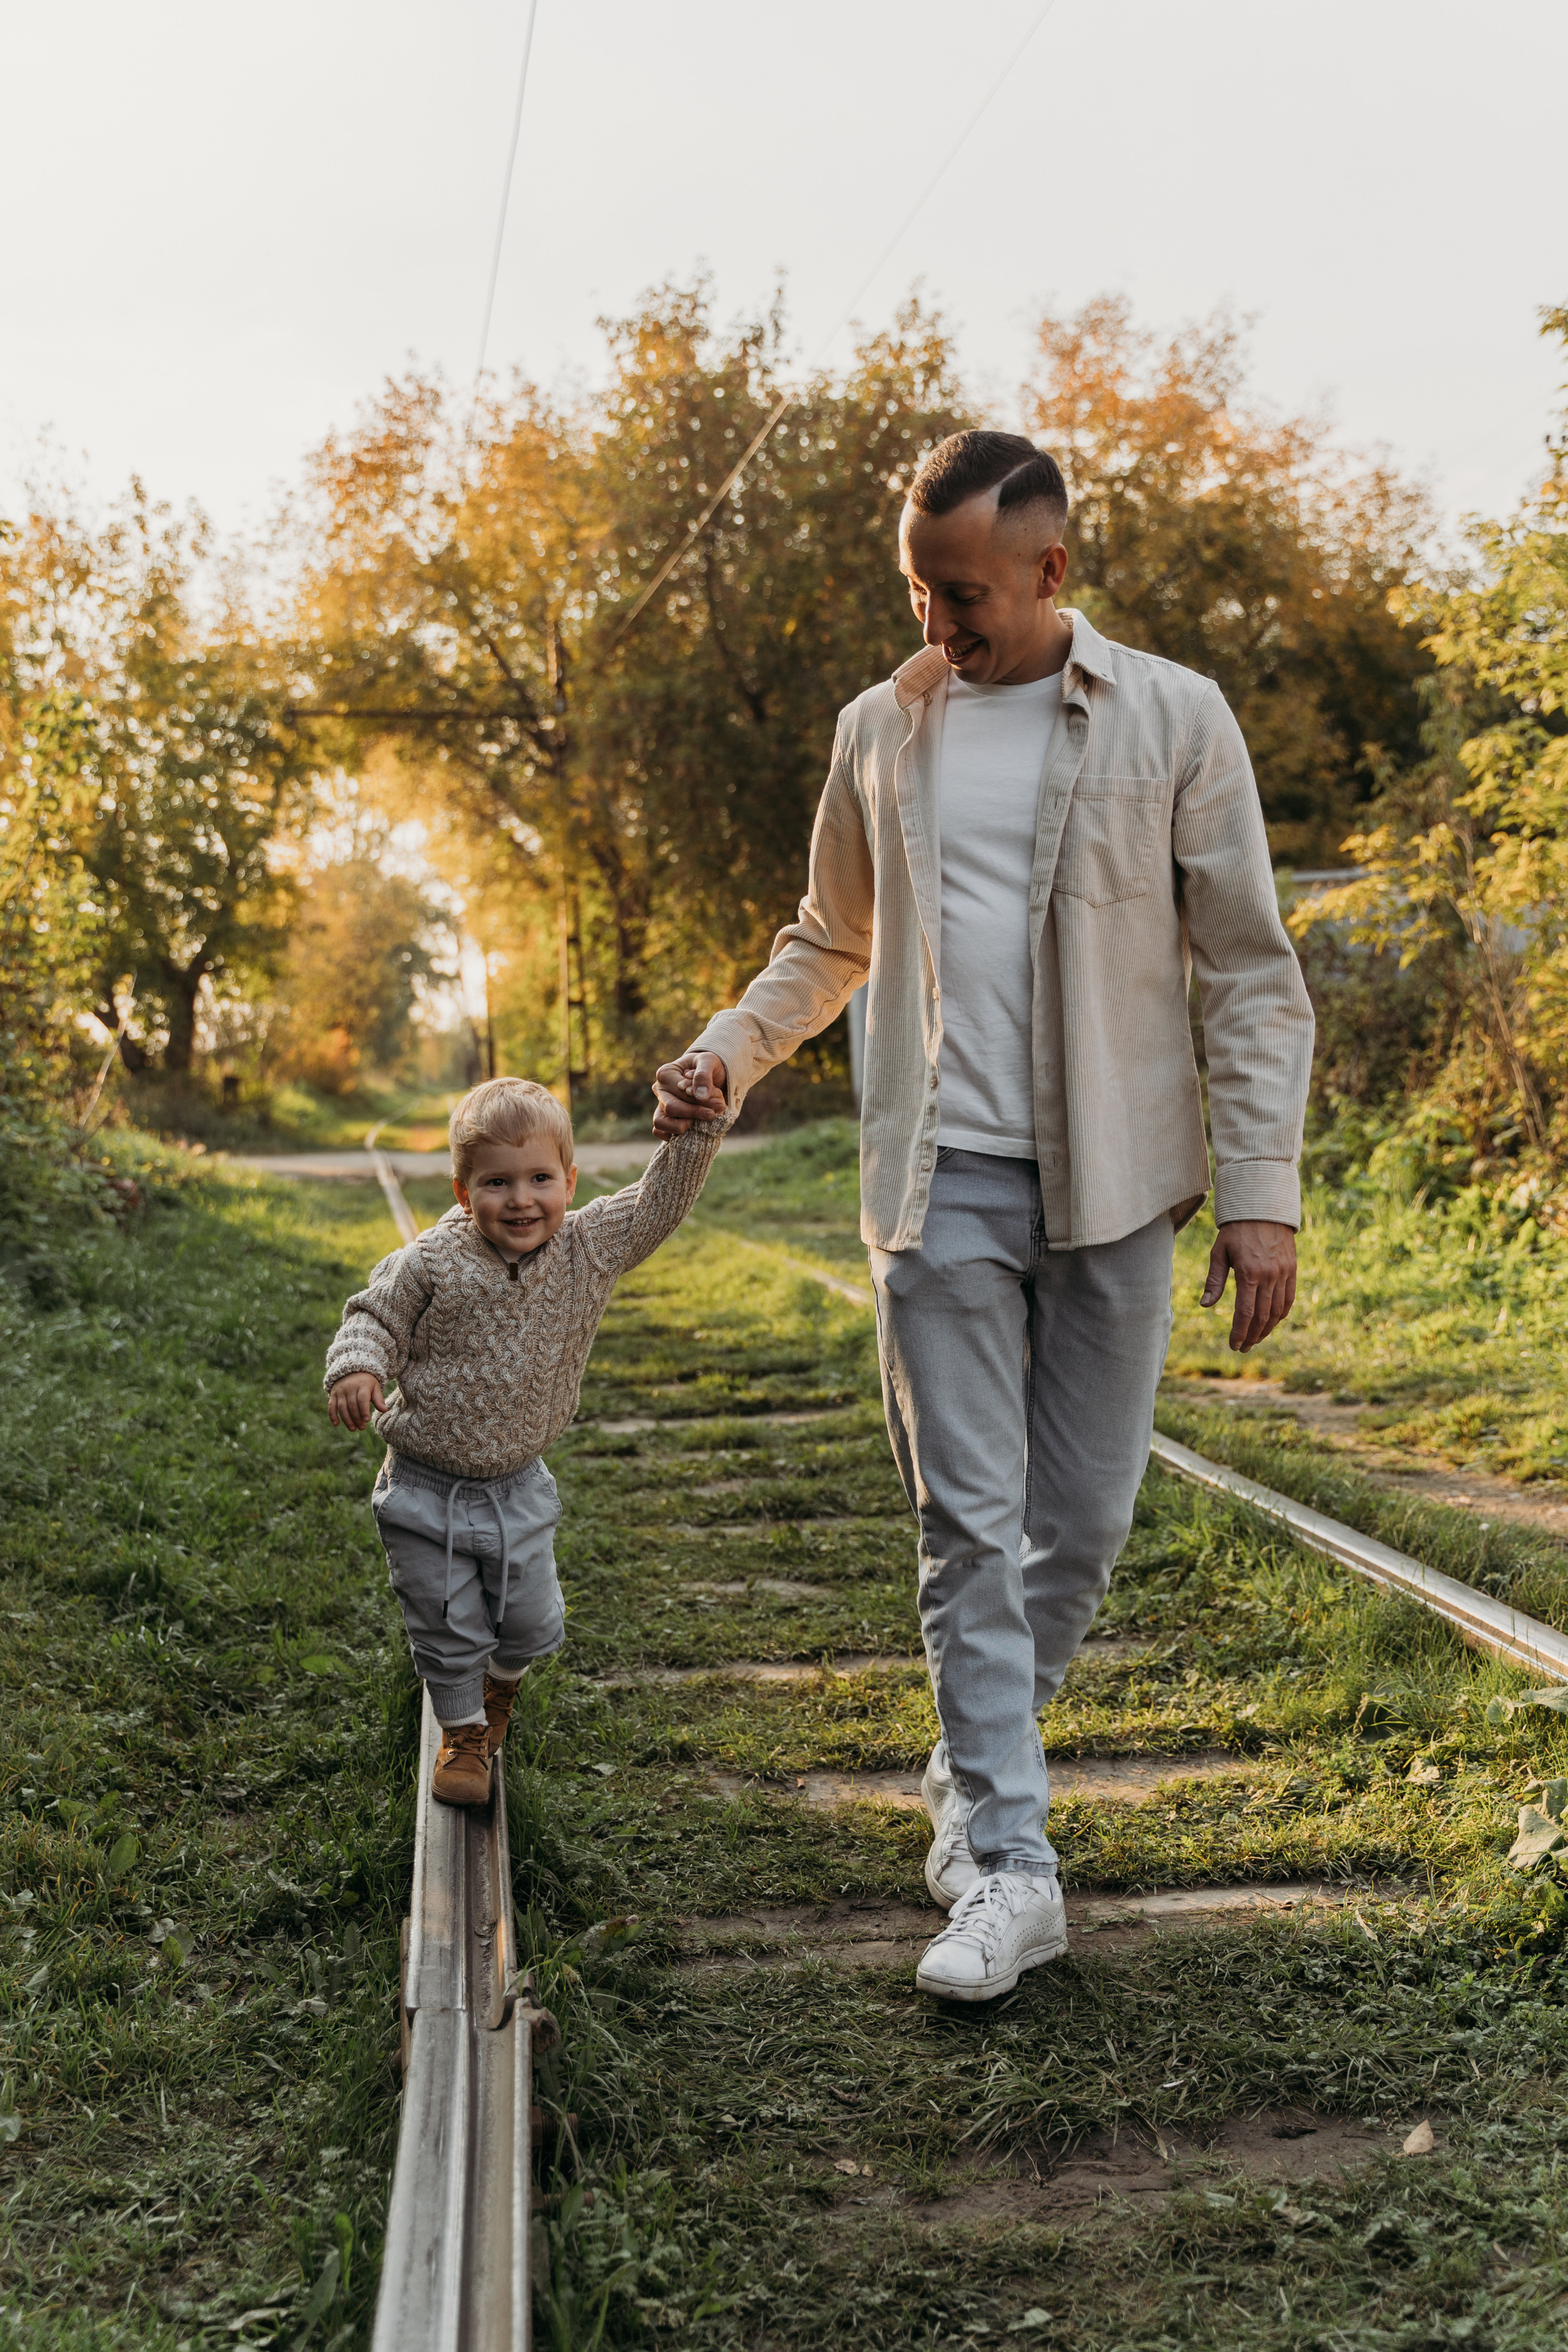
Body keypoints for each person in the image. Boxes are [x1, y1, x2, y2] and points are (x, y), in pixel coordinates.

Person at [652, 430, 1313, 2001]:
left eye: (963, 597)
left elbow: (1243, 966)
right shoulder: (883, 730)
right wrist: (730, 1050)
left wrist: (1260, 1190)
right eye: (918, 592)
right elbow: (828, 938)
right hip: (935, 1180)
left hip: (1110, 1182)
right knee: (966, 1525)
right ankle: (1012, 1864)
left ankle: (966, 1766)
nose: (938, 626)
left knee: (1075, 1527)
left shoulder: (1172, 717)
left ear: (1049, 570)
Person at [325, 1077, 728, 1806]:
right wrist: (356, 1367)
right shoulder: (431, 1262)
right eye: (496, 1182)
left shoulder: (588, 1247)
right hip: (424, 1483)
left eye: (541, 1178)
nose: (521, 1199)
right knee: (445, 1622)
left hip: (518, 1484)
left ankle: (500, 1687)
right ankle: (464, 1736)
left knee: (532, 1621)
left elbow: (658, 1202)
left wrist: (697, 1133)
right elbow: (373, 1317)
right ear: (461, 1189)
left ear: (569, 1181)